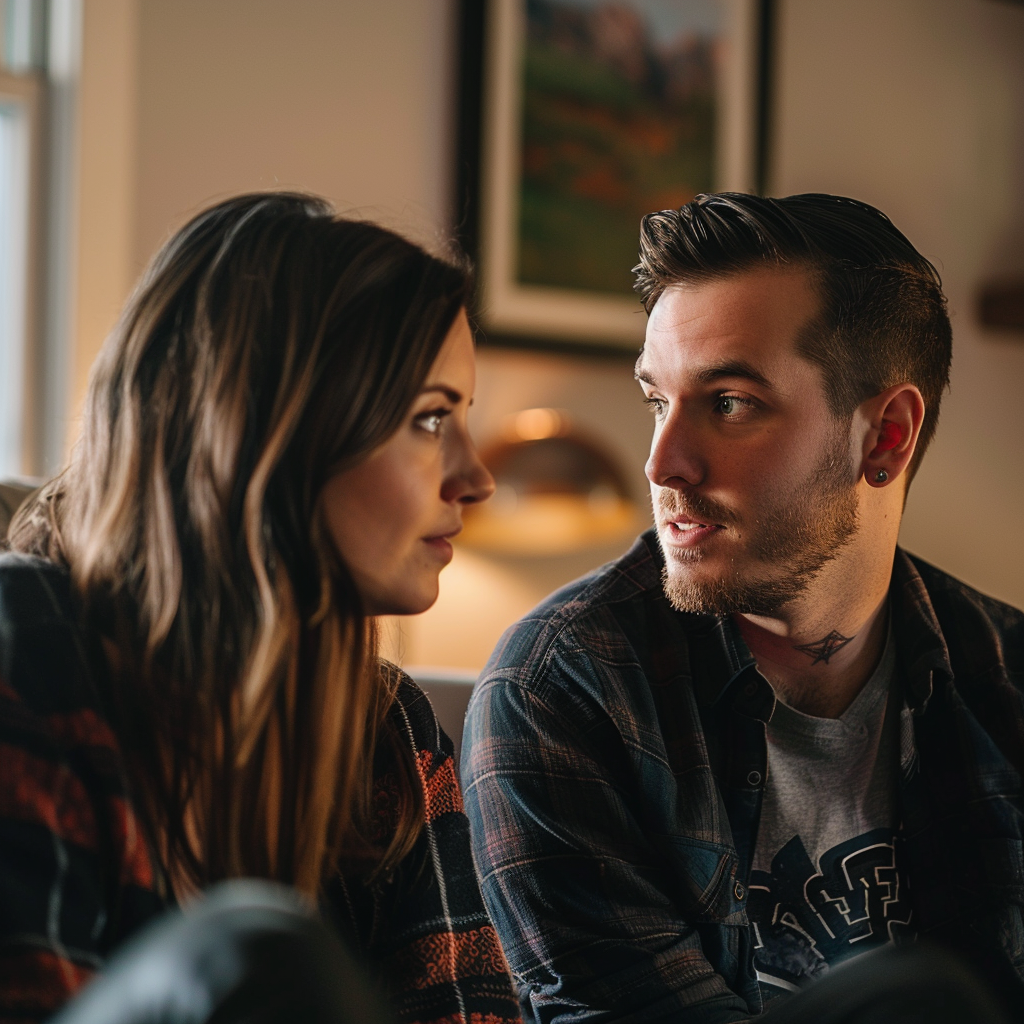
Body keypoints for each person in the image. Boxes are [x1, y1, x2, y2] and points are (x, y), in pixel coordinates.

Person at [461, 193, 1024, 1022]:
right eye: (658, 400)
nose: (662, 463)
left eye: (728, 402)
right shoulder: (562, 693)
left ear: (885, 437)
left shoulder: (1005, 677)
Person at [0, 192, 521, 1024]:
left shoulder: (386, 731)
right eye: (429, 419)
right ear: (266, 426)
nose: (475, 478)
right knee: (254, 952)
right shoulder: (22, 642)